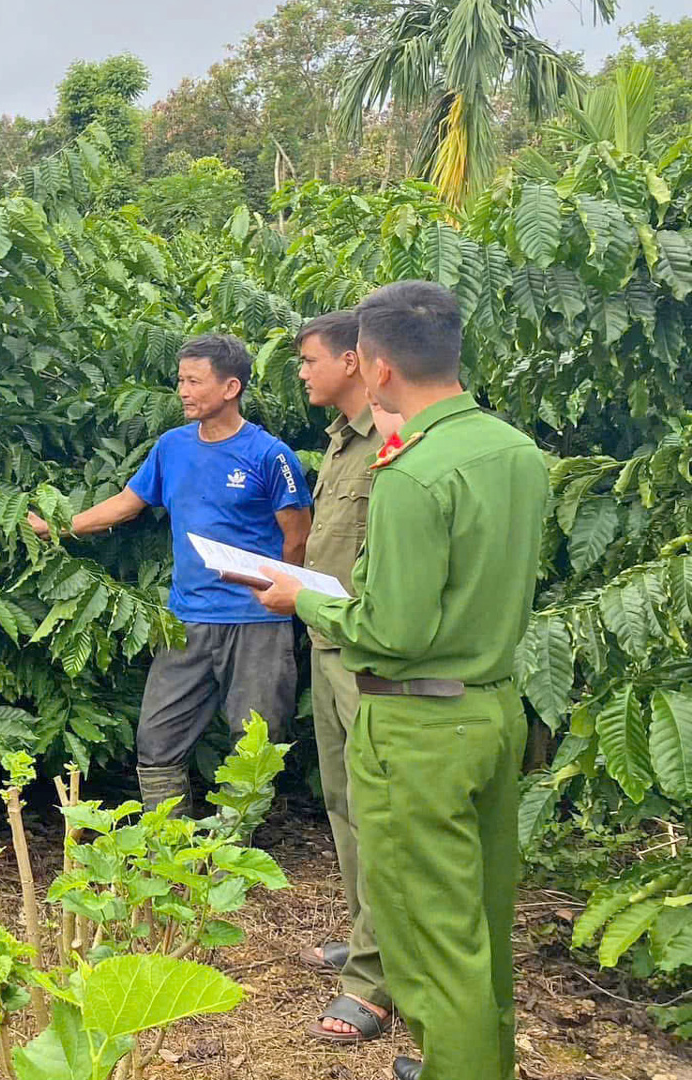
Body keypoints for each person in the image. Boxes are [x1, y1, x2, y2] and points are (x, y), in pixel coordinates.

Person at [253, 281, 547, 1080]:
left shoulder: (411, 473)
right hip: (491, 711)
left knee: (428, 941)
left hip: (419, 729)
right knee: (480, 923)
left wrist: (303, 596)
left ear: (375, 368)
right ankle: (475, 1058)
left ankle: (456, 1065)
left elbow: (395, 630)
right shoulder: (515, 452)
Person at [32, 334, 312, 812]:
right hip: (186, 619)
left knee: (256, 743)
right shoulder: (171, 447)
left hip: (256, 624)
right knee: (158, 737)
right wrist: (60, 528)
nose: (182, 390)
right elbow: (128, 502)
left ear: (230, 387)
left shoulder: (270, 455)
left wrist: (283, 600)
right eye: (180, 379)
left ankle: (232, 853)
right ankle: (171, 842)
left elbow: (299, 537)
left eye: (194, 381)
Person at [291, 311, 395, 1045]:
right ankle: (366, 941)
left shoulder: (394, 439)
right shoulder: (339, 442)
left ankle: (380, 983)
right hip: (328, 645)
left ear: (355, 362)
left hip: (369, 657)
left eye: (309, 359)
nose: (301, 371)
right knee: (342, 804)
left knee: (378, 813)